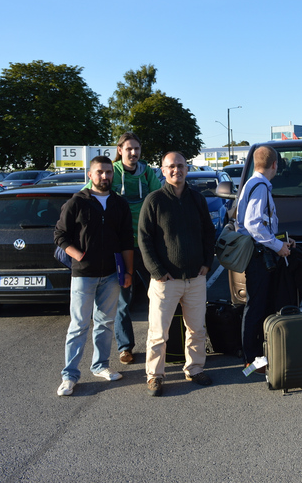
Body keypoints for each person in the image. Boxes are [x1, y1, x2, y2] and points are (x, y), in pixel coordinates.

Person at [54, 156, 134, 396]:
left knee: (105, 323)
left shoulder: (119, 204)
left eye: (109, 172)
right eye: (100, 172)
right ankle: (69, 376)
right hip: (83, 276)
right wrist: (78, 255)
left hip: (111, 275)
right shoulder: (77, 202)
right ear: (90, 175)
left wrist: (128, 272)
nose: (105, 177)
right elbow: (60, 235)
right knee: (78, 325)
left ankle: (100, 366)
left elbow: (126, 241)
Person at [139, 151, 216, 396]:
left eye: (181, 166)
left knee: (196, 329)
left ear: (187, 168)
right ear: (162, 170)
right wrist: (158, 271)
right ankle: (155, 375)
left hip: (195, 278)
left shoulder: (197, 199)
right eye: (171, 166)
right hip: (166, 280)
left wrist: (207, 263)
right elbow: (144, 239)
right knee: (158, 333)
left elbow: (208, 233)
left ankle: (194, 369)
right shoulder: (154, 201)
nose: (176, 170)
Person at [84, 132, 161, 365]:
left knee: (159, 297)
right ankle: (125, 347)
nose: (133, 153)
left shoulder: (147, 173)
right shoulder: (109, 173)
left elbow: (160, 200)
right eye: (129, 149)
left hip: (147, 244)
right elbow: (87, 197)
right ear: (120, 150)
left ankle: (160, 344)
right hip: (120, 246)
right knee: (123, 300)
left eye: (137, 149)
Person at [235, 146, 295, 371]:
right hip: (259, 256)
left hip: (259, 253)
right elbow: (253, 224)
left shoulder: (251, 184)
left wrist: (283, 240)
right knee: (256, 306)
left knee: (259, 304)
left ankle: (257, 355)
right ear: (275, 165)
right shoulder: (260, 186)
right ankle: (251, 359)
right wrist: (279, 246)